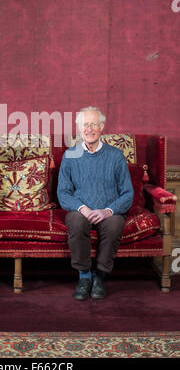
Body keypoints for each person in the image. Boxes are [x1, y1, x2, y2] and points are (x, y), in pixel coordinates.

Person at [57, 106, 134, 300]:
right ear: (79, 128)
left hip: (109, 210)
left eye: (93, 124)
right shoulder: (70, 155)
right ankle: (84, 277)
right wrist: (82, 208)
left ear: (101, 127)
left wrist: (108, 211)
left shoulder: (115, 155)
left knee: (115, 225)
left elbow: (127, 193)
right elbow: (63, 193)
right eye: (85, 125)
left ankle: (99, 276)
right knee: (75, 222)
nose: (89, 129)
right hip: (80, 210)